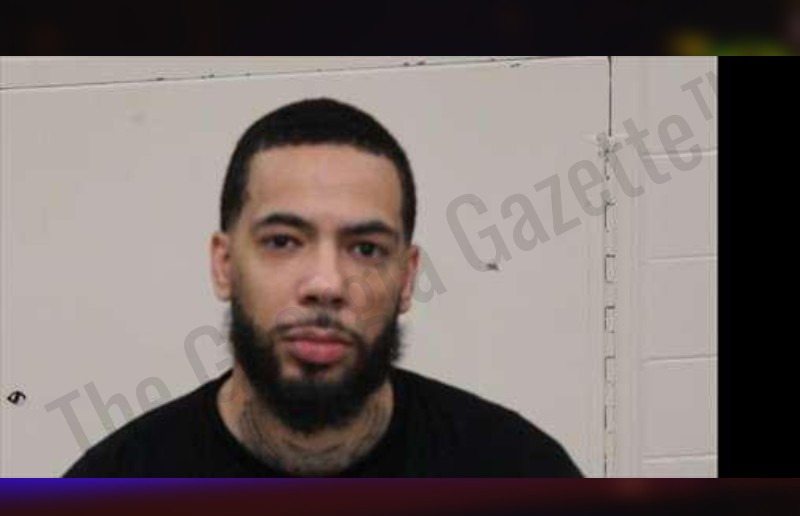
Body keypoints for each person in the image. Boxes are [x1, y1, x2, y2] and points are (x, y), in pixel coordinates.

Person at [64, 98, 583, 477]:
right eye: (283, 241)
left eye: (366, 249)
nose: (327, 285)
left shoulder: (521, 476)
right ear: (224, 265)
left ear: (407, 278)